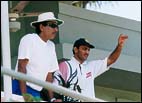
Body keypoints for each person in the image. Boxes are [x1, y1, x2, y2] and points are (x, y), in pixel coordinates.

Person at [53, 34, 128, 102]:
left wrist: (119, 46)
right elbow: (54, 87)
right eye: (84, 49)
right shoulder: (65, 65)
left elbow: (111, 60)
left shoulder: (91, 66)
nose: (87, 52)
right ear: (76, 49)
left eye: (88, 50)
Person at [12, 12, 64, 102]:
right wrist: (25, 95)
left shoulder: (51, 46)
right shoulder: (29, 39)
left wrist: (52, 99)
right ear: (41, 27)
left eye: (56, 26)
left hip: (36, 91)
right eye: (52, 25)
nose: (56, 29)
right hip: (20, 87)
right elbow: (21, 66)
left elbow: (49, 75)